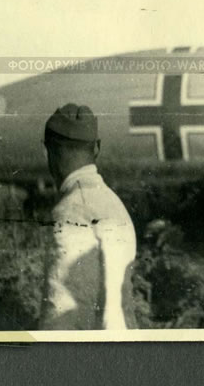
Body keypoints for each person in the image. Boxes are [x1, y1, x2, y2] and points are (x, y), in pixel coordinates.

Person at [39, 103, 137, 330]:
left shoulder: (71, 211)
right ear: (97, 148)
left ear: (47, 151)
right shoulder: (114, 204)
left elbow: (61, 311)